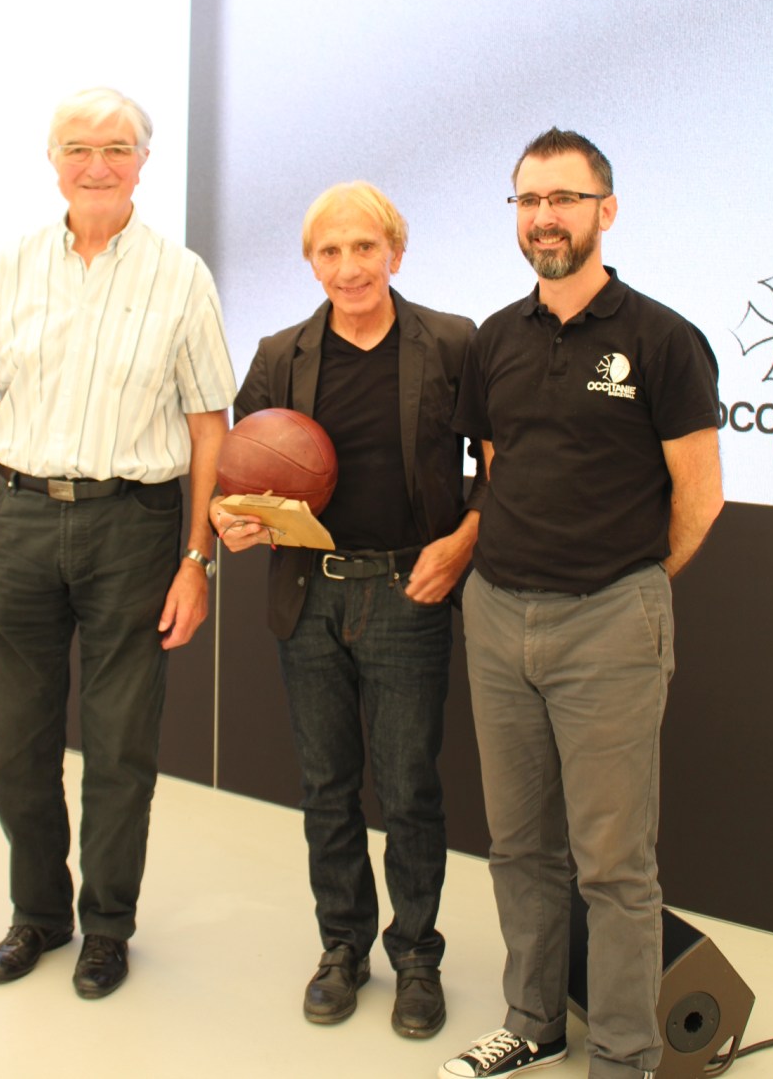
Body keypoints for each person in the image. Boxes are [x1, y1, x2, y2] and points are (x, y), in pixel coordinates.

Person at [0, 86, 236, 999]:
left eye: (116, 148)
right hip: (15, 518)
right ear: (52, 160)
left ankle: (107, 926)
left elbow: (209, 425)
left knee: (119, 747)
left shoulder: (183, 277)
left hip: (131, 529)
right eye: (78, 148)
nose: (97, 164)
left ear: (144, 162)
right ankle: (38, 914)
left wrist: (197, 559)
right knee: (13, 747)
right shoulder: (11, 267)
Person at [439, 129, 724, 1079]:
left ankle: (625, 1056)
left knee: (613, 865)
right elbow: (496, 470)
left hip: (609, 623)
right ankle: (533, 1022)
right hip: (497, 619)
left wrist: (630, 584)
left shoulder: (663, 339)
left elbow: (700, 498)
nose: (545, 218)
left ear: (607, 209)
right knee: (520, 847)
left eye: (563, 198)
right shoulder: (494, 339)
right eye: (529, 201)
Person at [212, 181, 486, 1040]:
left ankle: (417, 957)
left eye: (364, 247)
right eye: (330, 251)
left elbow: (503, 461)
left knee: (408, 788)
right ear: (311, 263)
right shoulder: (279, 354)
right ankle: (342, 947)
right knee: (327, 786)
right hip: (310, 595)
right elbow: (237, 478)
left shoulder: (452, 343)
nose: (349, 266)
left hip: (409, 591)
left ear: (395, 253)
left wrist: (463, 542)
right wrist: (230, 519)